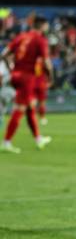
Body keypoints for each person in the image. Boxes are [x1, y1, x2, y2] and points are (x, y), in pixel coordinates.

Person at [0, 16, 53, 153]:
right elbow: (47, 62)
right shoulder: (40, 40)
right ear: (42, 26)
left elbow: (4, 54)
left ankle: (38, 139)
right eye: (46, 26)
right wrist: (51, 77)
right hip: (27, 77)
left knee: (30, 107)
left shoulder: (21, 37)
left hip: (15, 75)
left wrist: (12, 69)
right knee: (20, 108)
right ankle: (6, 142)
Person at [33, 57, 50, 125]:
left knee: (32, 102)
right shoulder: (43, 59)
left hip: (32, 83)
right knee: (42, 102)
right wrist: (49, 79)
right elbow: (48, 69)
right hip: (41, 84)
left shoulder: (31, 59)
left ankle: (33, 118)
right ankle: (42, 118)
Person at [0, 57, 15, 127]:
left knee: (3, 107)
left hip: (10, 88)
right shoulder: (2, 64)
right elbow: (1, 76)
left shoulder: (11, 64)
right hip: (5, 88)